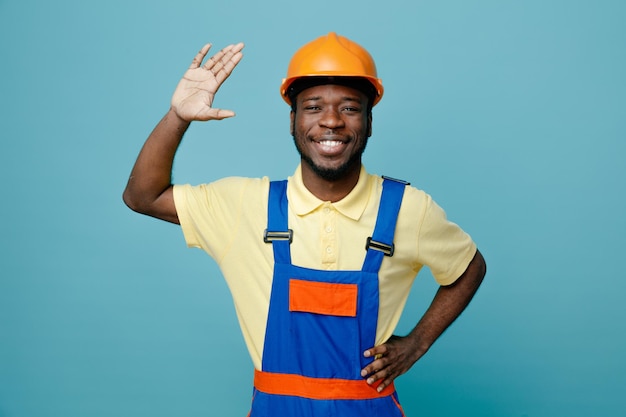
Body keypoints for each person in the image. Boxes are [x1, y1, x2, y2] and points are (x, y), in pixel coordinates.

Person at [123, 32, 486, 416]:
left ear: (369, 121)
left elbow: (469, 267)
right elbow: (142, 197)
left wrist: (417, 343)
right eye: (313, 107)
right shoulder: (246, 206)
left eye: (349, 108)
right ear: (293, 120)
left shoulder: (408, 210)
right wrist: (177, 117)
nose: (331, 121)